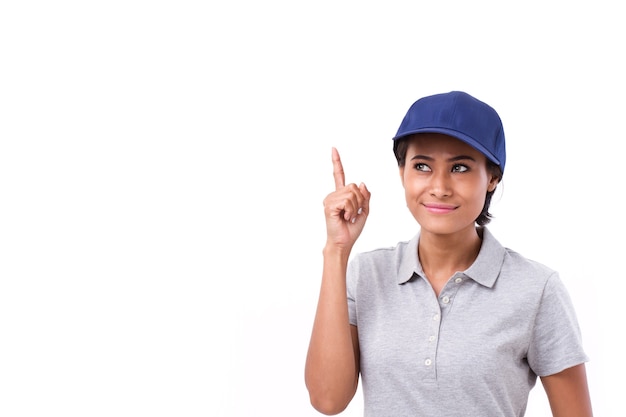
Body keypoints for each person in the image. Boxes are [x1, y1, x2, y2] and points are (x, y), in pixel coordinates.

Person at [304, 91, 593, 416]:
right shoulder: (366, 274)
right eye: (422, 165)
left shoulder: (536, 289)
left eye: (459, 168)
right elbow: (328, 400)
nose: (439, 186)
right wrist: (336, 250)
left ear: (493, 178)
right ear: (403, 173)